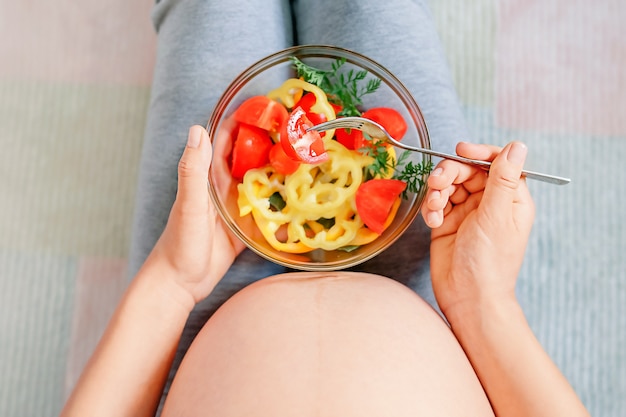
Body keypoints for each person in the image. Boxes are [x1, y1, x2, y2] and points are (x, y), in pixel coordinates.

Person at [61, 1, 591, 416]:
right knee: (377, 8)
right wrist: (483, 304)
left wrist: (171, 283)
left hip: (192, 303)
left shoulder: (182, 284)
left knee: (211, 8)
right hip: (428, 263)